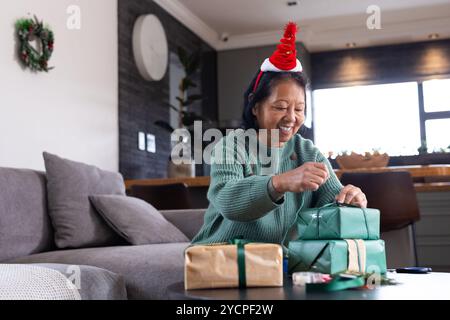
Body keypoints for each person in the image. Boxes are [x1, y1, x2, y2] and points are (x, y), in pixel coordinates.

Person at [192, 23, 367, 246]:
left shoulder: (308, 152)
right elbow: (228, 201)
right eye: (280, 107)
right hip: (223, 258)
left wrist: (349, 200)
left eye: (299, 109)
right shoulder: (231, 146)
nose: (291, 117)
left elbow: (331, 205)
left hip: (280, 263)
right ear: (255, 107)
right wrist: (280, 183)